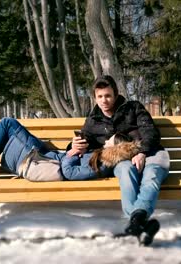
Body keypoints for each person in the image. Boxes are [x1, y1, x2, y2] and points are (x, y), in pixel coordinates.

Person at [72, 75, 170, 245]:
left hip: (151, 153)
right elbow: (85, 142)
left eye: (108, 95)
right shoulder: (93, 120)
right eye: (100, 96)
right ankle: (140, 223)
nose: (104, 100)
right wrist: (73, 145)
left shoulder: (133, 108)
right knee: (125, 170)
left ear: (116, 95)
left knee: (151, 176)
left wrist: (142, 153)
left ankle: (136, 221)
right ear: (95, 97)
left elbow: (150, 132)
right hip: (122, 160)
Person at [0, 118, 137, 182]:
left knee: (7, 124)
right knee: (8, 124)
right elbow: (72, 157)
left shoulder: (102, 164)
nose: (105, 143)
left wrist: (71, 155)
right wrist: (74, 146)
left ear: (116, 149)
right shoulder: (102, 157)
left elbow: (69, 172)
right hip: (49, 155)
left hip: (46, 161)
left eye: (109, 142)